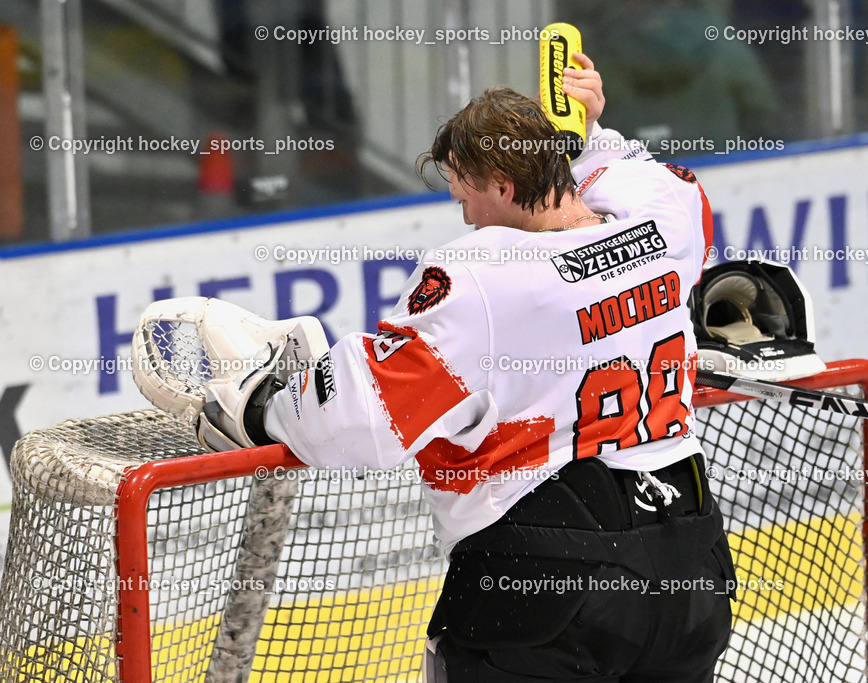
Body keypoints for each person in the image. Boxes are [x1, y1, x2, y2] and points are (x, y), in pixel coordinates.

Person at [237, 53, 735, 681]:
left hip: (548, 588)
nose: (464, 213)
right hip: (692, 572)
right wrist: (585, 134)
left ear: (501, 183)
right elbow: (628, 174)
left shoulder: (483, 277)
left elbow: (364, 419)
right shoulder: (667, 217)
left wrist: (264, 408)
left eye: (466, 194)